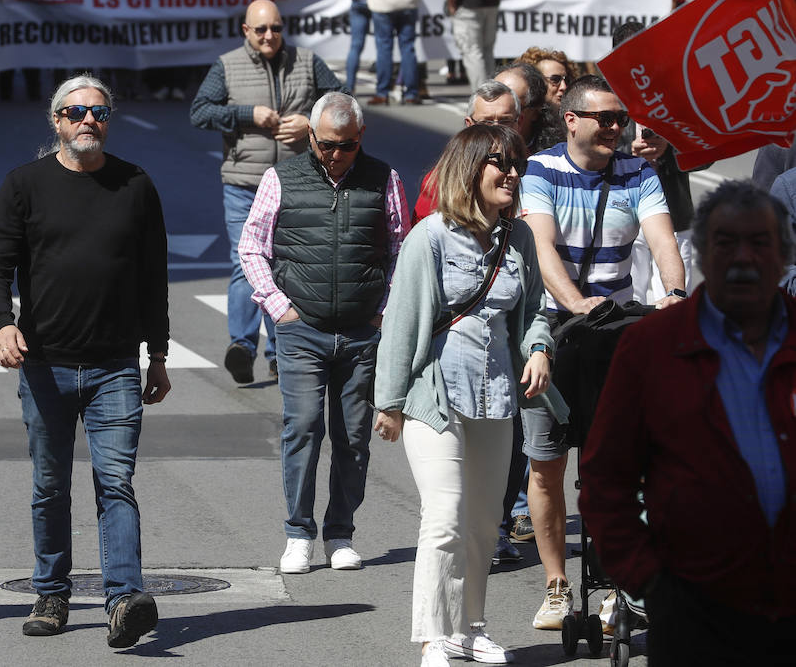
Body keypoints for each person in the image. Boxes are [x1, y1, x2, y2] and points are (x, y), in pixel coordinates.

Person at [0, 74, 170, 649]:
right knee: (49, 486)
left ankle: (123, 600)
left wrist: (157, 355)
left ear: (109, 121)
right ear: (57, 122)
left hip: (115, 365)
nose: (89, 120)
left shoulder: (135, 185)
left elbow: (152, 277)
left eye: (100, 111)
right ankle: (52, 593)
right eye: (77, 111)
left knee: (117, 482)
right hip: (46, 366)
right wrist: (2, 324)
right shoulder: (24, 186)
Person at [580, 181, 796, 663]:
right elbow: (603, 479)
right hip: (694, 612)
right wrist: (650, 581)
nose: (743, 257)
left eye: (759, 243)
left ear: (783, 256)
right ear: (701, 253)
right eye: (725, 243)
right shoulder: (652, 348)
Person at [374, 124, 564, 667]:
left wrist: (539, 349)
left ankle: (470, 627)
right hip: (433, 396)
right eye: (498, 163)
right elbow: (403, 323)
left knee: (484, 521)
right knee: (445, 514)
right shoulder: (429, 236)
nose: (511, 173)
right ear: (470, 169)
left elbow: (533, 314)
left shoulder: (519, 237)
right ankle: (436, 634)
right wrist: (388, 402)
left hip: (497, 395)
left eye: (516, 164)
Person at [518, 74, 688, 631]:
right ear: (572, 120)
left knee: (617, 465)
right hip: (552, 327)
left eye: (622, 119)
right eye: (606, 119)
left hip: (616, 327)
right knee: (546, 465)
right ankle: (557, 584)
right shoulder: (542, 170)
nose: (618, 128)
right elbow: (540, 246)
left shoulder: (638, 170)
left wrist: (676, 295)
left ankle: (620, 580)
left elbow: (663, 238)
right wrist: (574, 306)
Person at [239, 91, 410, 573]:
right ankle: (298, 532)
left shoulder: (385, 179)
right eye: (328, 145)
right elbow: (253, 247)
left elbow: (403, 249)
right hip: (302, 328)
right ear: (311, 137)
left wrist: (383, 311)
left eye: (348, 146)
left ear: (361, 139)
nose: (336, 155)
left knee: (353, 437)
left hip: (362, 332)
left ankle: (340, 533)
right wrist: (279, 308)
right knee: (303, 428)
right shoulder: (280, 178)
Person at [190, 0, 343, 383]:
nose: (269, 36)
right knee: (247, 263)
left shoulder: (306, 61)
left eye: (275, 28)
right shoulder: (227, 66)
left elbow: (341, 105)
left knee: (285, 267)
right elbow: (200, 112)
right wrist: (247, 114)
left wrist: (309, 124)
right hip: (244, 184)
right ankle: (241, 345)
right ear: (246, 31)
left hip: (297, 182)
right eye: (260, 30)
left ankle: (281, 352)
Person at [412, 81, 520, 223]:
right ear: (469, 125)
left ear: (518, 123)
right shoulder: (445, 179)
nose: (496, 129)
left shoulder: (535, 167)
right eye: (486, 123)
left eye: (505, 121)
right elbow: (425, 234)